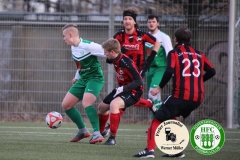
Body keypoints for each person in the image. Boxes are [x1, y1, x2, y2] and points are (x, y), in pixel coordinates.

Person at [133, 26, 216, 158]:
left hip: (181, 95)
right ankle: (176, 150)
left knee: (158, 118)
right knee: (172, 116)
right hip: (197, 98)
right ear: (190, 39)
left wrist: (159, 87)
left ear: (175, 39)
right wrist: (199, 81)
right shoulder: (200, 54)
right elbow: (212, 71)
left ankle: (149, 150)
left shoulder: (174, 53)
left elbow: (169, 71)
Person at [101, 7, 161, 137]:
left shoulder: (141, 34)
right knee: (124, 98)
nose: (127, 21)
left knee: (121, 99)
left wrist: (149, 61)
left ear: (134, 22)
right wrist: (111, 60)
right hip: (123, 71)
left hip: (137, 72)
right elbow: (111, 48)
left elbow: (157, 43)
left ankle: (109, 129)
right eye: (125, 19)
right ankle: (149, 103)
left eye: (130, 19)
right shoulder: (119, 35)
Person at [61, 24, 105, 144]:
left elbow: (108, 52)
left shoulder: (89, 46)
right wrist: (77, 77)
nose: (63, 38)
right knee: (66, 105)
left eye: (64, 36)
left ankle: (97, 133)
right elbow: (80, 65)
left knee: (87, 102)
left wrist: (121, 64)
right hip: (83, 79)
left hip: (95, 78)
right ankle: (83, 131)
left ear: (70, 35)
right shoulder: (73, 47)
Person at [98, 38, 143, 145]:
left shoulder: (127, 63)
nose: (105, 55)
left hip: (134, 91)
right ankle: (101, 132)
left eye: (106, 53)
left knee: (114, 105)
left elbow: (139, 81)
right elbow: (108, 58)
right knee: (102, 107)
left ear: (113, 52)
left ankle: (112, 138)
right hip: (122, 89)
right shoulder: (114, 58)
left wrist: (123, 89)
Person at [145, 15, 173, 116]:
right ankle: (156, 124)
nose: (151, 24)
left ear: (158, 23)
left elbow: (170, 54)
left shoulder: (164, 37)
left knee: (152, 95)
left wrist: (172, 70)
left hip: (161, 68)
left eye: (153, 21)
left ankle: (164, 119)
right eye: (149, 22)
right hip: (149, 69)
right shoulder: (145, 37)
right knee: (153, 99)